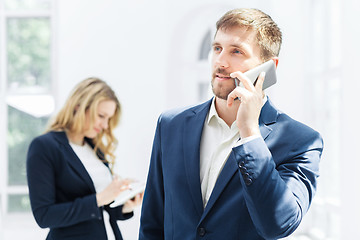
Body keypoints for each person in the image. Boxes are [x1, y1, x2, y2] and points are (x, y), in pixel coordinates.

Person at [139, 8, 323, 240]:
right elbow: (152, 224)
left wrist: (250, 135)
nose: (220, 61)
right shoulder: (171, 125)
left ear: (269, 66)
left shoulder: (301, 141)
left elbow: (278, 224)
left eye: (236, 51)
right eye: (217, 48)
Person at [27, 77, 143, 240]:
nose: (105, 125)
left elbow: (102, 210)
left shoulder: (95, 149)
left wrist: (125, 203)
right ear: (78, 107)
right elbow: (45, 216)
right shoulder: (45, 147)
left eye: (108, 119)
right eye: (101, 116)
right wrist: (100, 198)